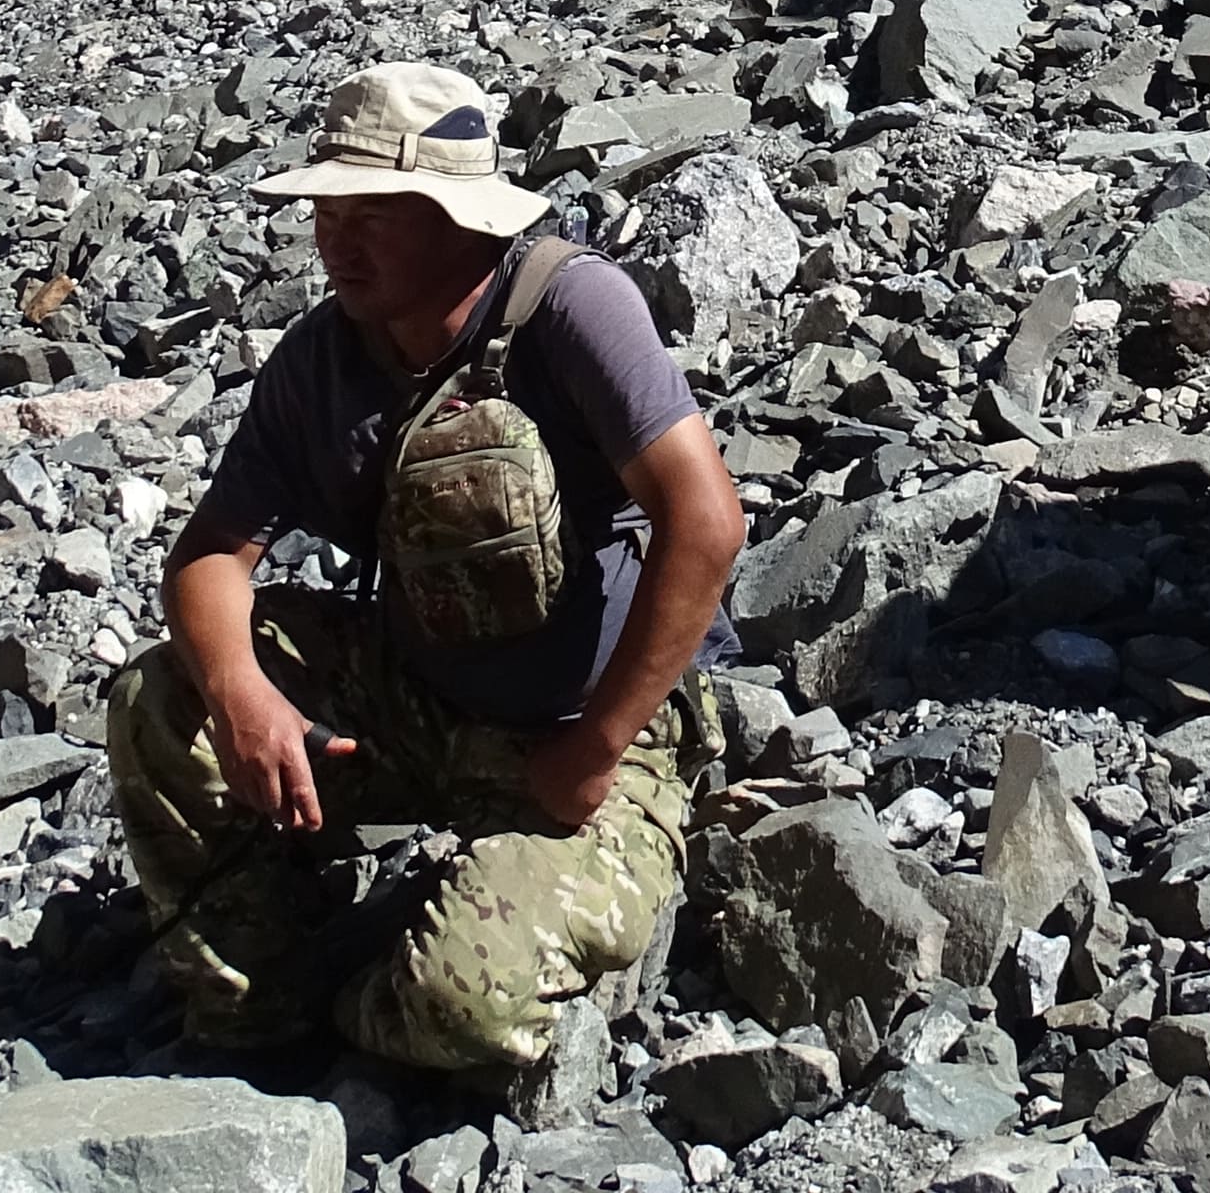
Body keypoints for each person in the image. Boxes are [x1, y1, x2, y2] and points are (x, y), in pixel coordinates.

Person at [105, 63, 746, 1077]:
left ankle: (375, 989)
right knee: (163, 695)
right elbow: (210, 555)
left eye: (375, 215)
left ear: (459, 218)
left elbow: (705, 522)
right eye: (328, 208)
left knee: (462, 1004)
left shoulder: (573, 310)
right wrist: (241, 695)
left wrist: (599, 746)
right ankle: (258, 998)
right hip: (414, 702)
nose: (335, 240)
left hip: (588, 738)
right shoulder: (322, 359)